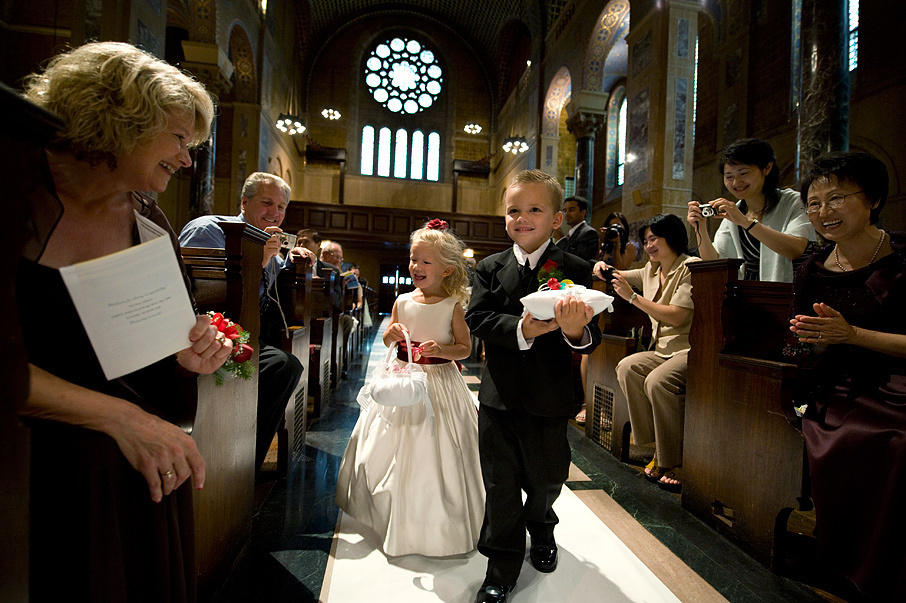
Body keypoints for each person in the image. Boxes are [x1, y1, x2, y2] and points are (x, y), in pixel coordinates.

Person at [17, 41, 230, 601]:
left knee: (163, 454)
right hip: (29, 438)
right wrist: (120, 419)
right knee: (103, 459)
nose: (187, 159)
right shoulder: (15, 192)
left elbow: (149, 357)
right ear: (121, 121)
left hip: (128, 436)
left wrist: (187, 355)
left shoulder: (147, 218)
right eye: (179, 138)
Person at [466, 170, 602, 603]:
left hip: (550, 394)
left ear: (557, 219)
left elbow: (592, 335)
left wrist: (575, 330)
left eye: (534, 210)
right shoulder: (489, 268)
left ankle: (542, 527)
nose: (521, 218)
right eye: (513, 210)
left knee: (547, 479)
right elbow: (477, 318)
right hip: (499, 395)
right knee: (500, 484)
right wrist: (522, 329)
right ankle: (500, 567)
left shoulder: (574, 268)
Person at [787, 151, 906, 600]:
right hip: (840, 387)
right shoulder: (812, 270)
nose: (824, 212)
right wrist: (814, 342)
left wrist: (852, 334)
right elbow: (799, 346)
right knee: (888, 440)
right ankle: (852, 566)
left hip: (900, 378)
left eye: (836, 198)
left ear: (873, 199)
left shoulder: (902, 258)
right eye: (814, 203)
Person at [336, 219, 484, 556]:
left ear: (447, 270)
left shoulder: (452, 306)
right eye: (413, 259)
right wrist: (391, 335)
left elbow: (465, 349)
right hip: (403, 378)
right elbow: (390, 335)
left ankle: (438, 523)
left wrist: (441, 349)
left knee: (440, 445)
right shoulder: (402, 301)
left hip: (439, 384)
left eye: (425, 261)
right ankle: (387, 512)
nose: (416, 266)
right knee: (389, 444)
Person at [179, 172, 310, 473]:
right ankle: (232, 459)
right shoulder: (210, 229)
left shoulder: (274, 248)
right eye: (267, 203)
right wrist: (259, 260)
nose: (274, 213)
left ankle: (245, 463)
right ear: (244, 202)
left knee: (286, 365)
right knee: (281, 365)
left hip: (248, 333)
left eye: (281, 207)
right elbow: (204, 293)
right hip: (206, 331)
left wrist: (294, 260)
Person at [593, 213, 699, 493]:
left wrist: (632, 297)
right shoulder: (650, 270)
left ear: (672, 237)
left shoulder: (690, 267)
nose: (649, 246)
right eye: (646, 240)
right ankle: (655, 447)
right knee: (627, 367)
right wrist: (602, 266)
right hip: (661, 350)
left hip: (689, 350)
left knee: (657, 381)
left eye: (654, 239)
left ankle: (673, 461)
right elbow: (616, 274)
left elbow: (677, 316)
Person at [687, 137, 815, 282]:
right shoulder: (736, 211)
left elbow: (795, 249)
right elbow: (714, 261)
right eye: (729, 176)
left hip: (790, 289)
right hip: (748, 290)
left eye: (743, 173)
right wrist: (700, 228)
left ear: (767, 168)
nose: (736, 182)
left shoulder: (793, 201)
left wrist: (745, 221)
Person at [555, 195, 599, 262]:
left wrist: (561, 238)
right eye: (565, 211)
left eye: (571, 210)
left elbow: (580, 260)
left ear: (583, 212)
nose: (567, 214)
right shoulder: (571, 232)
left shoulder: (589, 233)